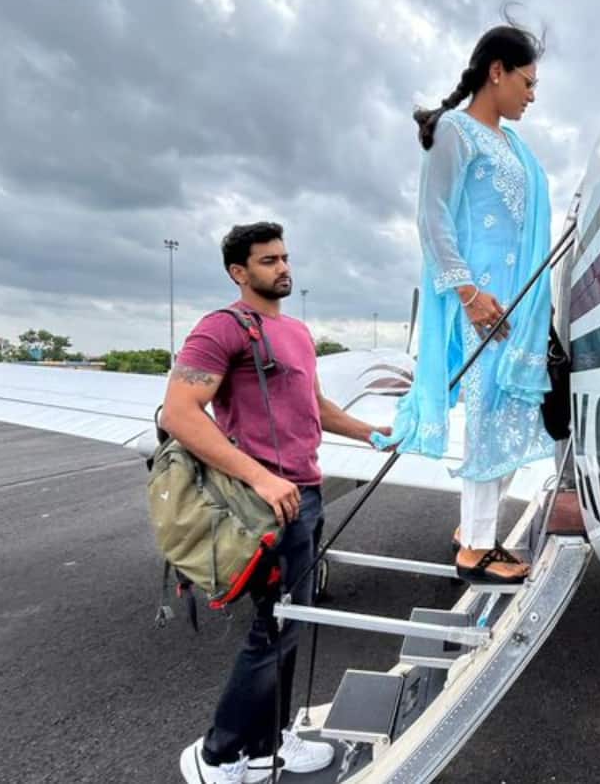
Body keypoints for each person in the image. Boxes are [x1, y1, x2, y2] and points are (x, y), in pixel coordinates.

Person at [162, 222, 388, 784]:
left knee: (292, 624)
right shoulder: (223, 328)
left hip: (306, 495)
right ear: (239, 272)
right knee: (273, 627)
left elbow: (317, 407)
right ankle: (216, 754)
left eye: (285, 257)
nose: (283, 268)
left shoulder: (298, 333)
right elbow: (180, 413)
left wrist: (371, 433)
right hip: (265, 504)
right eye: (268, 261)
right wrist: (260, 479)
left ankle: (269, 746)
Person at [372, 25, 555, 584]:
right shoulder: (456, 132)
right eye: (527, 81)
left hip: (518, 304)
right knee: (487, 415)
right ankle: (476, 547)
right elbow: (434, 219)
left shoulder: (515, 145)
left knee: (511, 412)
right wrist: (469, 295)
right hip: (483, 302)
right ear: (496, 71)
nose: (532, 94)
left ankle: (472, 529)